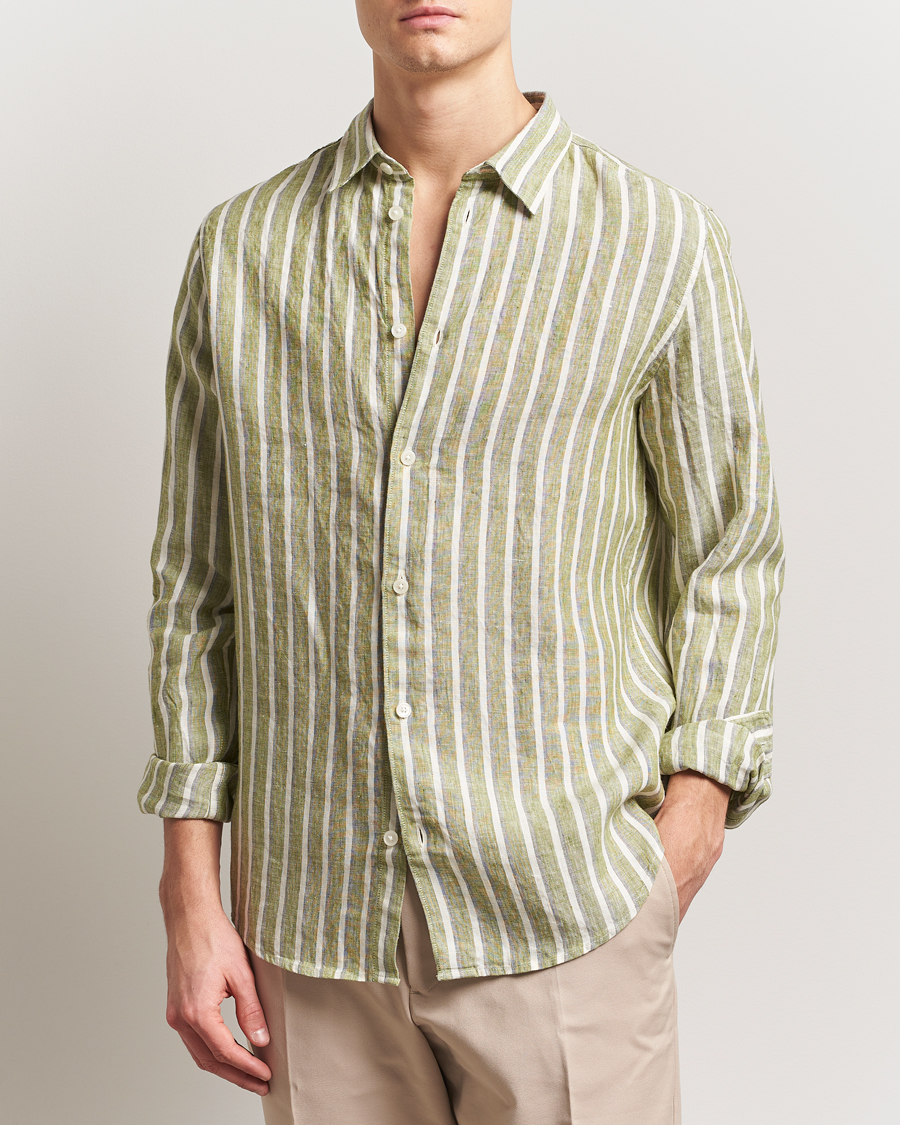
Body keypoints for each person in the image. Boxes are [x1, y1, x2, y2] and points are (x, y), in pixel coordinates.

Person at [137, 2, 785, 1122]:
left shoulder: (660, 239)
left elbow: (728, 548)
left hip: (566, 909)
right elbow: (198, 587)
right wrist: (190, 894)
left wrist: (694, 813)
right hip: (315, 923)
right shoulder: (244, 249)